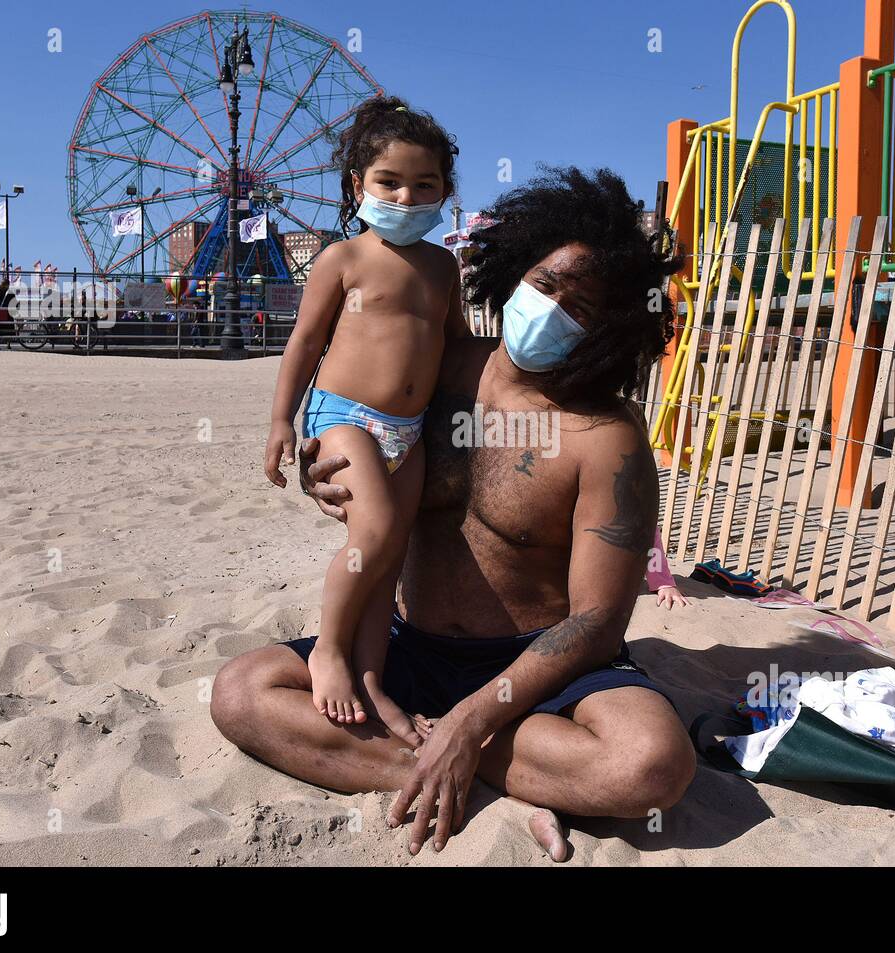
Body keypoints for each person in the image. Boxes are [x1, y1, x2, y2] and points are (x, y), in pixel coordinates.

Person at [215, 167, 695, 859]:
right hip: (405, 647)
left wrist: (472, 723)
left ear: (613, 330)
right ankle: (505, 779)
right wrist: (325, 475)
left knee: (651, 765)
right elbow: (347, 430)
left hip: (537, 667)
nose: (553, 309)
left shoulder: (608, 436)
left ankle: (447, 752)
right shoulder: (432, 371)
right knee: (241, 691)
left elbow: (596, 623)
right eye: (546, 284)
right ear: (511, 271)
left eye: (582, 308)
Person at [262, 95, 464, 743]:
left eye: (423, 184)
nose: (406, 197)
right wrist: (280, 423)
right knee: (372, 535)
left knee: (389, 556)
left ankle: (373, 679)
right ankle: (328, 652)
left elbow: (454, 345)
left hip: (411, 430)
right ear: (358, 185)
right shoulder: (341, 259)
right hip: (344, 416)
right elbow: (303, 343)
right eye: (389, 182)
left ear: (445, 190)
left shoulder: (444, 266)